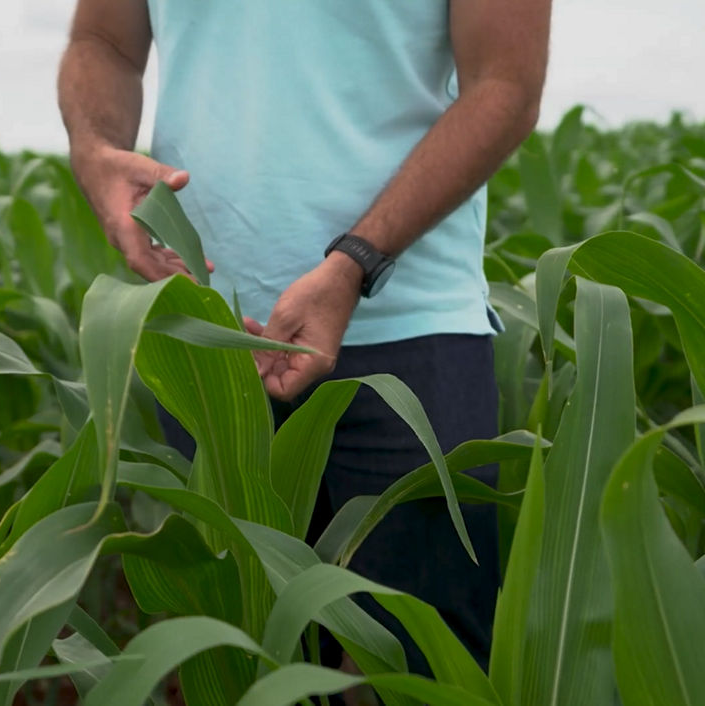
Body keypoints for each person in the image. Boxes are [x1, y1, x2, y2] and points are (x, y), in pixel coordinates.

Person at [58, 0, 550, 684]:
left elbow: (506, 84)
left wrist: (356, 262)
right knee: (245, 668)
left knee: (426, 672)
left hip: (411, 334)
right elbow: (102, 42)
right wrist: (93, 151)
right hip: (207, 338)